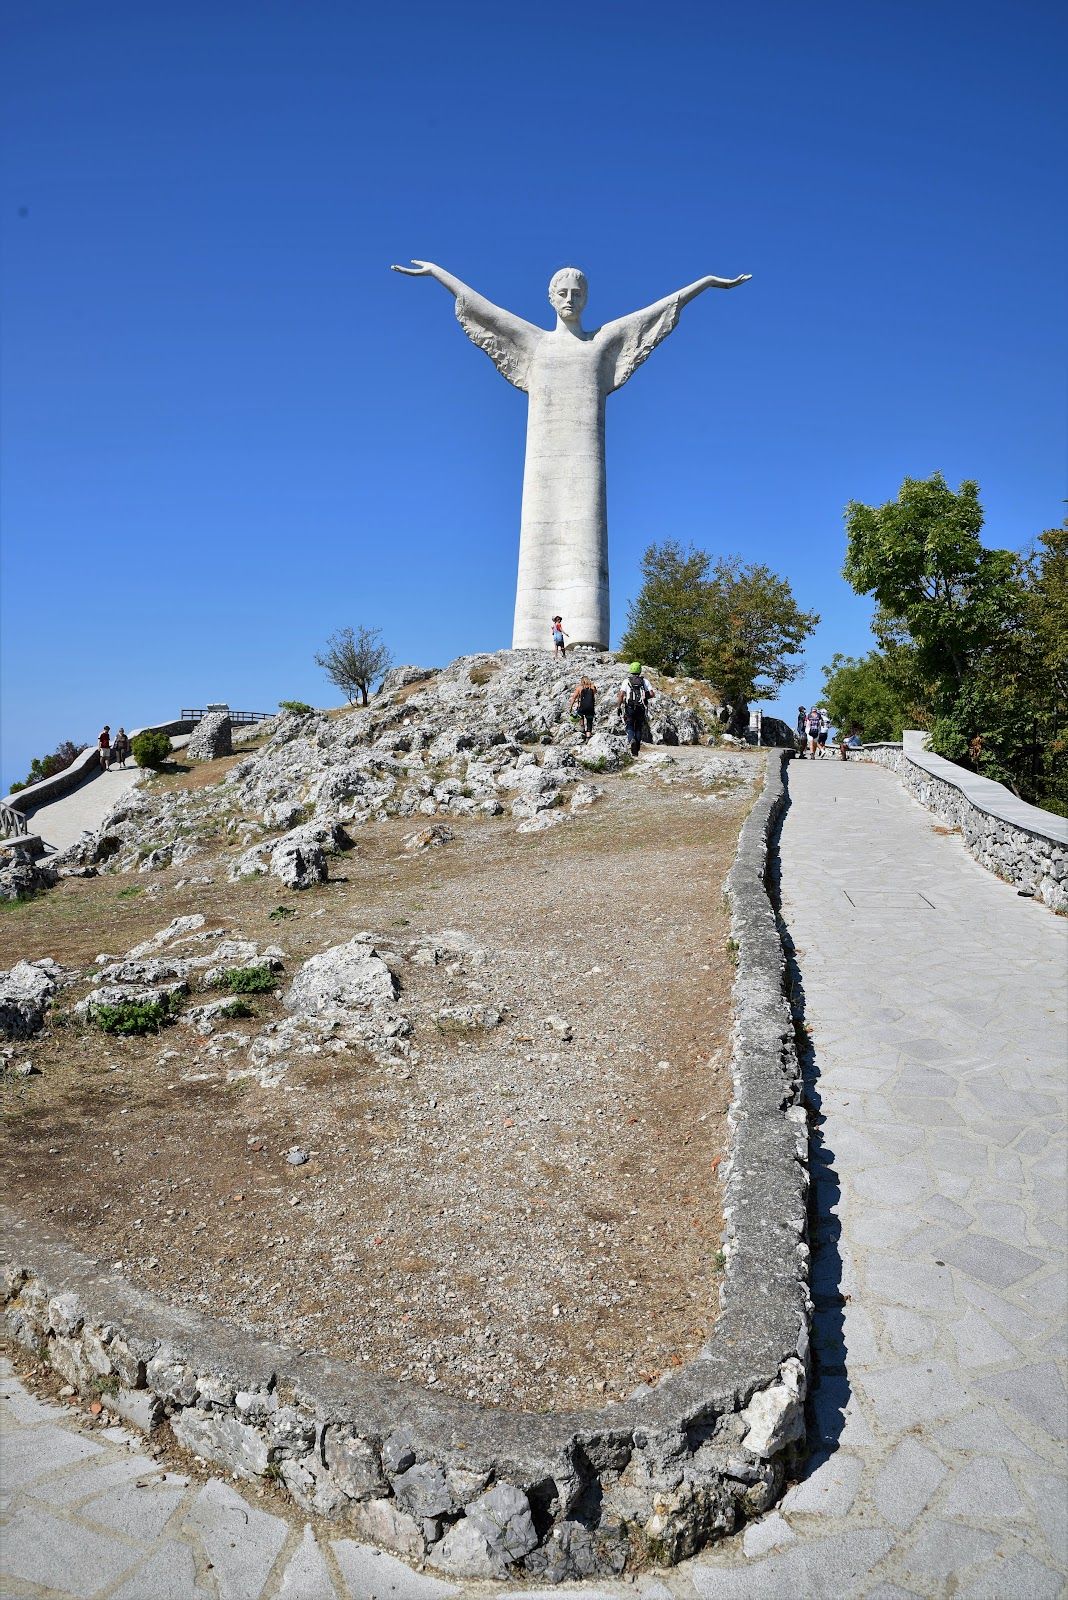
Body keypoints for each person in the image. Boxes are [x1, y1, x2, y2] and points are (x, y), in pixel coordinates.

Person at [617, 662, 654, 757]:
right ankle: (636, 750)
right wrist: (644, 697)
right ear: (640, 670)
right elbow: (652, 694)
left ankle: (631, 739)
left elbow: (621, 694)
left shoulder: (626, 681)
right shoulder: (644, 681)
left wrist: (618, 706)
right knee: (638, 727)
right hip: (641, 708)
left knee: (629, 725)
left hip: (629, 707)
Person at [570, 676, 597, 740]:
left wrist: (571, 706)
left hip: (582, 707)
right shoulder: (593, 687)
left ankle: (582, 728)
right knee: (589, 721)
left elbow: (574, 697)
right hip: (590, 707)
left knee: (580, 715)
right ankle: (588, 737)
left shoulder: (579, 688)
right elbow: (595, 693)